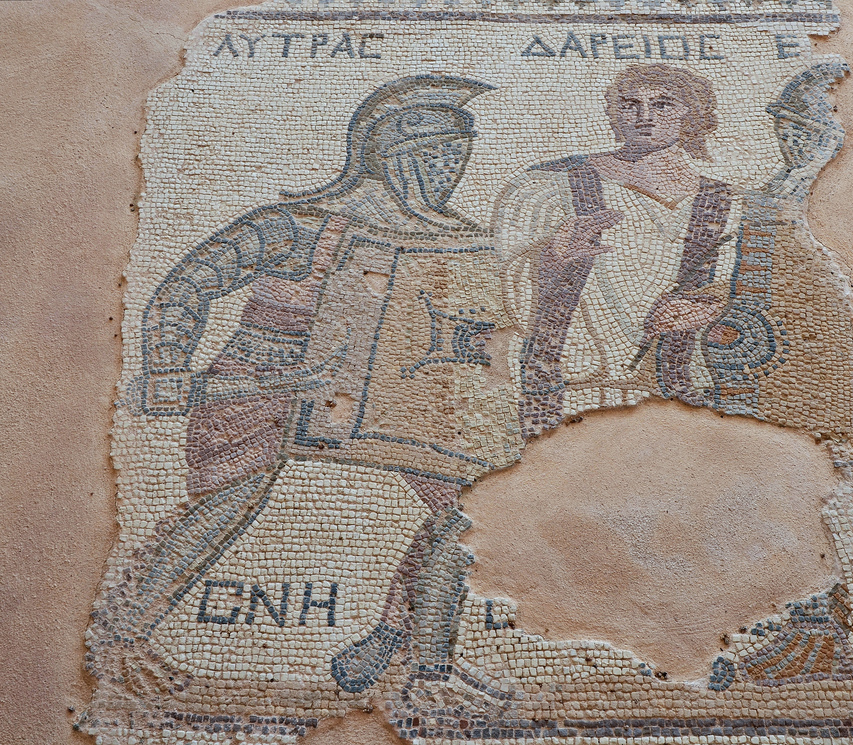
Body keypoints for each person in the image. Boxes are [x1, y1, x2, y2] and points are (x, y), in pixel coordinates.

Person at [88, 75, 509, 699]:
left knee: (473, 511)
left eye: (458, 153)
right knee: (221, 510)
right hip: (265, 384)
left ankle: (415, 659)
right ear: (384, 152)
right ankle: (121, 637)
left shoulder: (464, 241)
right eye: (430, 152)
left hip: (400, 405)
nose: (447, 169)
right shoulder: (300, 225)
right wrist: (170, 374)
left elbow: (482, 332)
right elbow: (189, 285)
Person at [494, 64, 742, 438]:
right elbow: (498, 282)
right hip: (575, 382)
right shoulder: (551, 187)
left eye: (662, 105)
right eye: (630, 105)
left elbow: (745, 286)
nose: (644, 116)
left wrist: (710, 306)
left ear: (691, 113)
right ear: (614, 113)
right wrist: (551, 257)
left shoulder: (728, 203)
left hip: (683, 383)